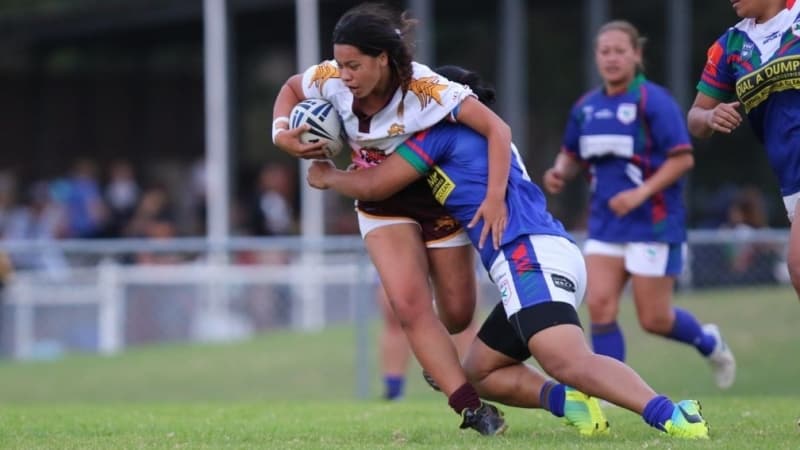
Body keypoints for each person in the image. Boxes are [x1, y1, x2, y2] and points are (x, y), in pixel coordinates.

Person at [306, 96, 711, 440]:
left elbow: (377, 185)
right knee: (478, 373)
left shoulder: (443, 135)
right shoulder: (478, 140)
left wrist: (330, 176)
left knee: (565, 360)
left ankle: (673, 414)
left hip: (526, 256)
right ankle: (569, 403)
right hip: (537, 257)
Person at [271, 3, 511, 434]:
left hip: (437, 203)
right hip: (380, 205)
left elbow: (498, 130)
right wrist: (281, 134)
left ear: (383, 59)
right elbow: (291, 88)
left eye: (354, 65)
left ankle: (435, 352)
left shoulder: (427, 88)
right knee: (408, 305)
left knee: (456, 315)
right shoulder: (333, 80)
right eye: (340, 64)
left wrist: (494, 197)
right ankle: (472, 409)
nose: (344, 75)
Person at [542, 20, 736, 390]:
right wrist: (559, 172)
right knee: (599, 305)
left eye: (619, 50)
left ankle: (708, 340)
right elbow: (571, 154)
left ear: (636, 54)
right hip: (606, 225)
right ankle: (612, 391)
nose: (612, 58)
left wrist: (639, 194)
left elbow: (682, 159)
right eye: (605, 51)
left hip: (654, 224)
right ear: (597, 57)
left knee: (654, 319)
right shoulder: (586, 108)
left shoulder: (654, 101)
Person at [687, 0, 800, 299]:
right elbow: (695, 118)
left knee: (798, 265)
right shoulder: (730, 45)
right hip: (791, 178)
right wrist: (710, 116)